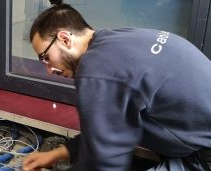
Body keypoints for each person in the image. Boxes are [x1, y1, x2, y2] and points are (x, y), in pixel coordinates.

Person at [22, 3, 211, 171]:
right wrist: (56, 154)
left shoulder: (96, 69)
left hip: (202, 156)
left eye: (45, 57)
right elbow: (109, 129)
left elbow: (104, 162)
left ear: (65, 39)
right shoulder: (117, 40)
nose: (48, 70)